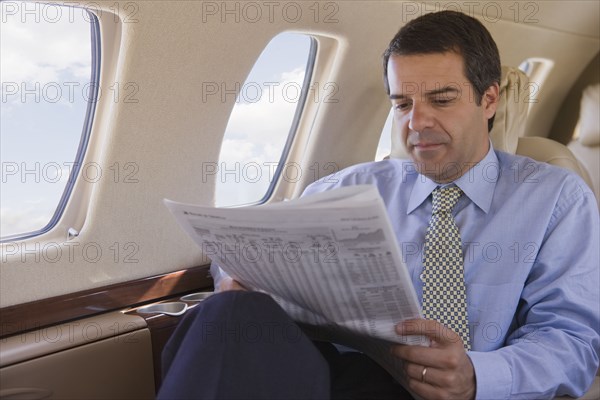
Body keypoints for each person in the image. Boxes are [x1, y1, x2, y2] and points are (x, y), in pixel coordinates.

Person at [159, 10, 599, 400]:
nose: (417, 123)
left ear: (488, 100)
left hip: (466, 389)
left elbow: (573, 341)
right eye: (402, 104)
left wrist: (476, 377)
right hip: (344, 376)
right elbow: (251, 248)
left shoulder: (556, 197)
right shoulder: (349, 188)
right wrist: (237, 275)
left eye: (441, 100)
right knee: (229, 314)